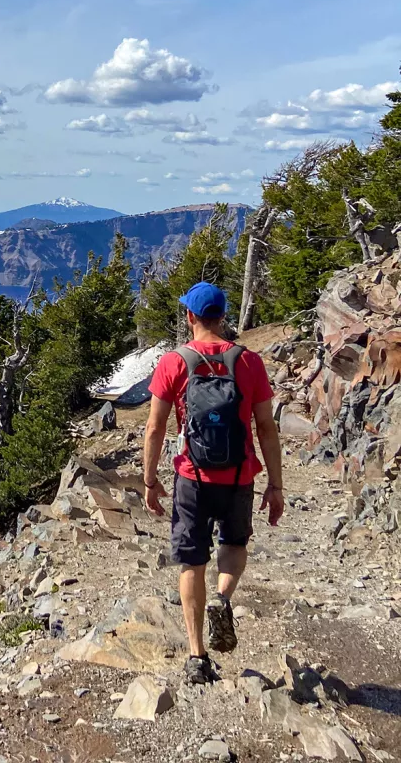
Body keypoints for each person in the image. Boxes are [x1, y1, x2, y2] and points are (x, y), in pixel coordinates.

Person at [142, 281, 284, 685]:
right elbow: (267, 429)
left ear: (190, 316)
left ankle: (197, 656)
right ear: (222, 317)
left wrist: (150, 481)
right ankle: (222, 599)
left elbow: (154, 428)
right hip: (240, 475)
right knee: (234, 545)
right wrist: (275, 485)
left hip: (192, 477)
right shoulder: (249, 362)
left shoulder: (174, 362)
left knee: (191, 561)